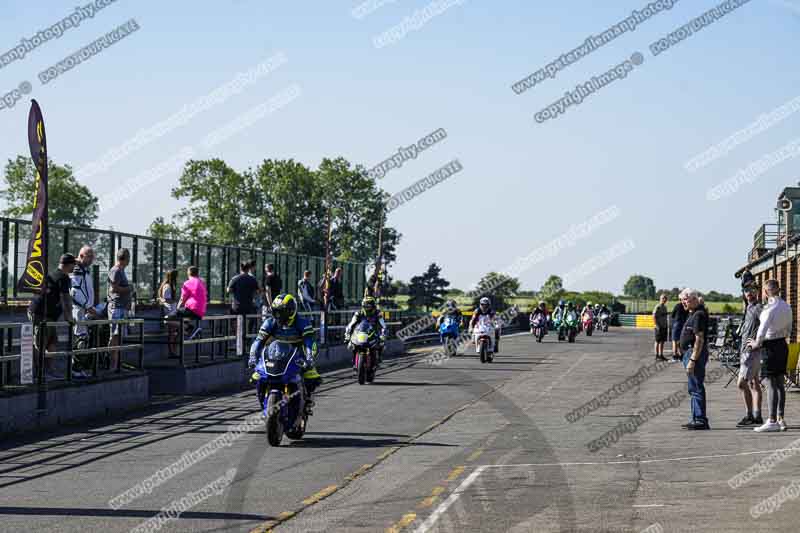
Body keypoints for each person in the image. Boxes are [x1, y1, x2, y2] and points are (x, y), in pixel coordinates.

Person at [248, 293, 322, 414]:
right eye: (276, 312)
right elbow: (258, 341)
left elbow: (310, 343)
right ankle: (263, 401)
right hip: (275, 356)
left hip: (298, 357)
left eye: (281, 312)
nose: (278, 316)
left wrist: (309, 358)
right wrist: (252, 357)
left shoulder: (302, 322)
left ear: (291, 310)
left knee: (311, 377)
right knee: (257, 377)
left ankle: (307, 400)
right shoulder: (270, 322)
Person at [747, 279, 792, 432]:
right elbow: (789, 327)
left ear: (766, 292)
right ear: (778, 289)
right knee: (779, 382)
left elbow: (762, 329)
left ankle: (772, 420)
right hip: (782, 345)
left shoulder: (769, 308)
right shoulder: (786, 306)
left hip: (770, 346)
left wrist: (756, 343)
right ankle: (780, 418)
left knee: (769, 382)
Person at [28, 254, 76, 380]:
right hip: (41, 313)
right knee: (41, 343)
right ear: (68, 264)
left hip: (47, 314)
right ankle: (40, 373)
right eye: (73, 264)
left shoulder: (55, 274)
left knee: (52, 342)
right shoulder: (63, 277)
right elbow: (66, 299)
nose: (74, 267)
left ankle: (48, 370)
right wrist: (69, 318)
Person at [679, 288, 710, 430]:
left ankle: (700, 419)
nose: (683, 303)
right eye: (682, 300)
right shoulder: (693, 313)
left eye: (685, 299)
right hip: (689, 353)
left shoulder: (698, 314)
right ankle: (696, 418)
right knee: (693, 388)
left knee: (696, 387)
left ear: (693, 299)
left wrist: (692, 360)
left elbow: (699, 339)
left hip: (694, 354)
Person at [736, 284, 763, 427]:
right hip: (745, 351)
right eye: (746, 291)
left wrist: (758, 342)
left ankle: (750, 414)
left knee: (741, 383)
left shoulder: (758, 308)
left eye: (752, 291)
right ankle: (756, 415)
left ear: (758, 292)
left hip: (752, 352)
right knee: (754, 383)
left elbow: (766, 326)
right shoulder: (748, 308)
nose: (749, 294)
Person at [108, 248, 133, 372]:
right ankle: (113, 365)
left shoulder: (121, 270)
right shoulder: (116, 270)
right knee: (115, 336)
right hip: (116, 307)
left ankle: (117, 364)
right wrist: (128, 288)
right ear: (126, 258)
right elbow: (113, 289)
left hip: (122, 308)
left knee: (119, 336)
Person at [345, 296, 387, 368]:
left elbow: (383, 325)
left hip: (374, 333)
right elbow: (351, 324)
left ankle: (379, 359)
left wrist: (383, 334)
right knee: (352, 344)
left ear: (373, 305)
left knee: (381, 344)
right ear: (363, 305)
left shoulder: (378, 313)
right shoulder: (358, 313)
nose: (367, 307)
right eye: (366, 305)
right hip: (360, 333)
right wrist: (347, 334)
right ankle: (354, 360)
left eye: (369, 305)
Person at [176, 266, 208, 340]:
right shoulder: (202, 282)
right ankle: (187, 329)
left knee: (171, 317)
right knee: (184, 314)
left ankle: (189, 328)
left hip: (193, 309)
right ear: (197, 273)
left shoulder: (188, 283)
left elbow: (182, 299)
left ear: (188, 273)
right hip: (201, 311)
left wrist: (177, 308)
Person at [157, 270, 179, 357]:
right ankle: (172, 351)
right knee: (173, 332)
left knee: (174, 332)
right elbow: (166, 299)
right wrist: (176, 300)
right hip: (170, 312)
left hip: (172, 311)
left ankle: (173, 351)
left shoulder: (171, 285)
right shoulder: (167, 286)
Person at [670, 295, 689, 361]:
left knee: (674, 340)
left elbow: (672, 315)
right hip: (684, 324)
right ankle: (681, 355)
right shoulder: (686, 307)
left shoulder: (677, 305)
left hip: (677, 323)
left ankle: (675, 356)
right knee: (680, 340)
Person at [653, 294, 669, 361]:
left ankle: (661, 355)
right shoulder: (658, 307)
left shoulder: (665, 307)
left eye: (665, 298)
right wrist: (656, 325)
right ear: (660, 299)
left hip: (664, 326)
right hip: (658, 327)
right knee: (657, 341)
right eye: (663, 298)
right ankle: (656, 355)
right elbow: (654, 316)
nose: (664, 300)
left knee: (662, 341)